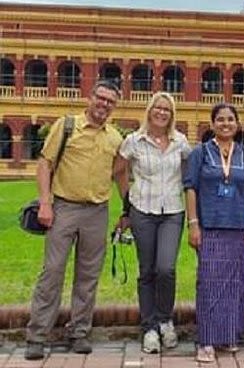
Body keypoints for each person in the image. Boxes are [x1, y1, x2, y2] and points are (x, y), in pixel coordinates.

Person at [25, 81, 124, 361]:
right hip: (64, 207)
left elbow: (119, 175)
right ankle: (37, 336)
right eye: (101, 98)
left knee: (88, 276)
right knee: (52, 272)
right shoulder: (66, 126)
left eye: (110, 102)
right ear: (90, 98)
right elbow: (45, 163)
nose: (104, 105)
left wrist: (127, 210)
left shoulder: (115, 137)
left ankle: (79, 331)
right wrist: (45, 203)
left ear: (114, 106)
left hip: (97, 210)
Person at [114, 92, 191, 353]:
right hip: (142, 211)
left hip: (172, 211)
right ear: (149, 111)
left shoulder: (180, 142)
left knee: (166, 268)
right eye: (157, 108)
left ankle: (165, 320)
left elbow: (189, 175)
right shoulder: (133, 141)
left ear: (172, 114)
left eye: (166, 110)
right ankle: (148, 327)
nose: (161, 113)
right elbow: (119, 171)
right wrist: (126, 204)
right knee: (147, 270)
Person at [183, 102, 244, 363]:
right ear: (212, 123)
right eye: (220, 120)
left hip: (239, 227)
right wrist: (193, 223)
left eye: (230, 119)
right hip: (211, 227)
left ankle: (228, 335)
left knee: (237, 284)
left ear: (237, 124)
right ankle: (206, 340)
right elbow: (190, 188)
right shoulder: (200, 153)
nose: (226, 124)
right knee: (209, 284)